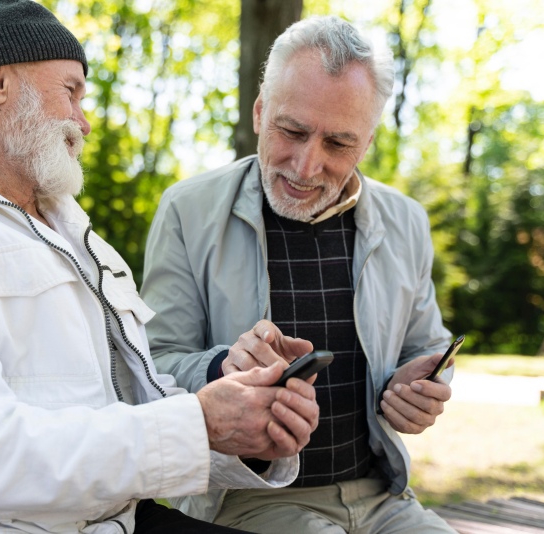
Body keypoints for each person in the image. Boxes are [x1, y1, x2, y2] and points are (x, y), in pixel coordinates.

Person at [0, 1, 321, 532]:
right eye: (71, 91)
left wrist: (244, 424)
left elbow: (137, 411)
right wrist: (200, 424)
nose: (83, 121)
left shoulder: (75, 234)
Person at [141, 15, 458, 534]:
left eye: (338, 144)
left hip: (385, 499)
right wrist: (223, 366)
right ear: (260, 112)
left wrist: (422, 384)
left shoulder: (407, 221)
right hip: (248, 499)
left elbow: (428, 349)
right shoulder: (187, 210)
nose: (307, 167)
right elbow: (149, 368)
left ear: (368, 141)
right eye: (292, 131)